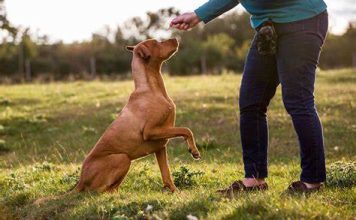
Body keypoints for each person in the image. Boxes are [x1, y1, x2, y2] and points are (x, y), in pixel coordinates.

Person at [170, 0, 328, 193]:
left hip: (303, 21)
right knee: (251, 102)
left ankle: (312, 181)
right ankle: (254, 180)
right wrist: (198, 14)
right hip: (268, 27)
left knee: (298, 100)